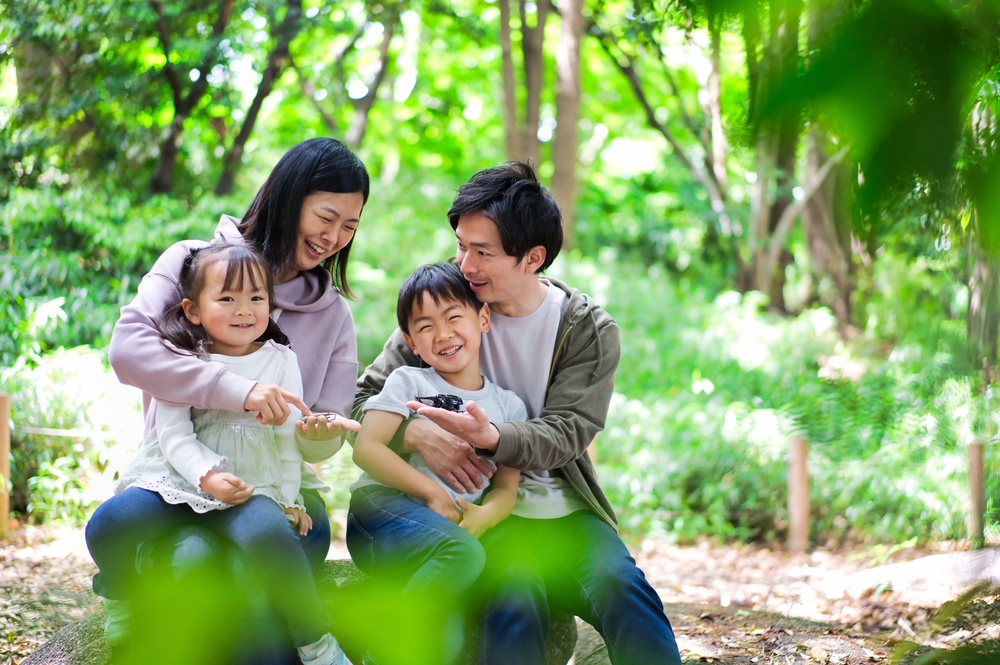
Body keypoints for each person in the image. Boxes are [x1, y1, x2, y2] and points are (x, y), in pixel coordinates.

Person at [353, 162, 683, 665]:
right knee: (515, 601)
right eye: (461, 245)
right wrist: (416, 432)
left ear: (533, 257)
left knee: (624, 591)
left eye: (483, 252)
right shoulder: (445, 306)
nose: (466, 263)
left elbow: (568, 431)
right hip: (483, 514)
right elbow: (363, 402)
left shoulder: (585, 328)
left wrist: (493, 436)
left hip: (562, 513)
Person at [105, 137, 369, 663]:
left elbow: (322, 435)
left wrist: (318, 439)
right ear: (288, 198)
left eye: (350, 226)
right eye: (325, 216)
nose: (334, 238)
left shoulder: (334, 315)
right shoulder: (191, 262)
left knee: (257, 576)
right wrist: (238, 391)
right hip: (183, 480)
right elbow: (128, 353)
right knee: (194, 563)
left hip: (280, 491)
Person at [348, 262, 525, 665]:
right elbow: (367, 448)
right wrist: (430, 492)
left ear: (482, 318)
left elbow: (506, 488)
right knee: (463, 555)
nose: (442, 334)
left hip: (448, 534)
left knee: (447, 635)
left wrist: (486, 516)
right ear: (411, 340)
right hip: (381, 513)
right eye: (425, 327)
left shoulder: (510, 406)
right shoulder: (409, 381)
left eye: (453, 317)